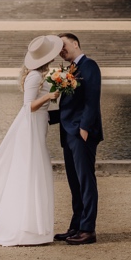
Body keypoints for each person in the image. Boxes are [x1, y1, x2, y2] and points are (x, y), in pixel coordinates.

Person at [0, 34, 61, 246]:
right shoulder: (35, 76)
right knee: (29, 173)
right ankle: (25, 228)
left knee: (36, 173)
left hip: (37, 127)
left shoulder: (42, 76)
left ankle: (35, 228)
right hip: (30, 130)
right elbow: (28, 107)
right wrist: (49, 96)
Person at [54, 31, 102, 245]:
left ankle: (87, 229)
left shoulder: (89, 66)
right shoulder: (70, 69)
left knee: (85, 182)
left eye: (64, 46)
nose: (61, 51)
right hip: (68, 132)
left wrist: (84, 128)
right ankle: (76, 225)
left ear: (75, 43)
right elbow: (71, 105)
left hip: (81, 133)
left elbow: (93, 99)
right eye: (59, 49)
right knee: (74, 183)